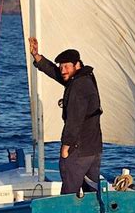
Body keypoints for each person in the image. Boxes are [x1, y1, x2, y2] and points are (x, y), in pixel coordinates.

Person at [29, 37, 102, 196]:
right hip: (94, 148)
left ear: (77, 65)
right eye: (61, 66)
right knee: (92, 190)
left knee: (69, 192)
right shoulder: (85, 77)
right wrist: (37, 57)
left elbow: (74, 120)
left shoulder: (77, 87)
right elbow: (57, 74)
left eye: (66, 66)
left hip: (79, 149)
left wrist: (66, 147)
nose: (62, 70)